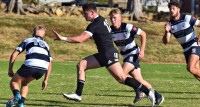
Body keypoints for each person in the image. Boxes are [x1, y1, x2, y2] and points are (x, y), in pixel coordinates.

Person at [53, 3, 157, 106]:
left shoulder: (94, 24)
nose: (84, 15)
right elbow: (101, 35)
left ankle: (148, 92)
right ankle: (78, 94)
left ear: (92, 12)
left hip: (108, 54)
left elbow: (81, 39)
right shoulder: (101, 19)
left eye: (85, 13)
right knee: (81, 65)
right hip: (105, 53)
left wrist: (63, 38)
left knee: (122, 78)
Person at [109, 8, 164, 105]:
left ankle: (139, 91)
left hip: (134, 54)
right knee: (139, 80)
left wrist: (142, 50)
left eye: (114, 18)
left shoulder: (128, 27)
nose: (112, 20)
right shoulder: (110, 30)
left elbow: (143, 34)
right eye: (111, 18)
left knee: (121, 74)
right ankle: (158, 96)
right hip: (125, 56)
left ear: (120, 18)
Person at [6, 25, 52, 107]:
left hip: (31, 64)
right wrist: (46, 80)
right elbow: (50, 63)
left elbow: (14, 54)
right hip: (43, 68)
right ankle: (20, 103)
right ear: (43, 36)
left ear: (33, 34)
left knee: (14, 82)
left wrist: (10, 69)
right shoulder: (46, 45)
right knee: (25, 83)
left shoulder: (28, 40)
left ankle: (17, 96)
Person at [163, 1, 200, 81]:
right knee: (196, 72)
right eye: (170, 9)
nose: (171, 10)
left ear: (178, 9)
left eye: (173, 8)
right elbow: (166, 41)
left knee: (191, 68)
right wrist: (166, 31)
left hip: (194, 45)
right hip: (186, 49)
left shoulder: (186, 18)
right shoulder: (169, 24)